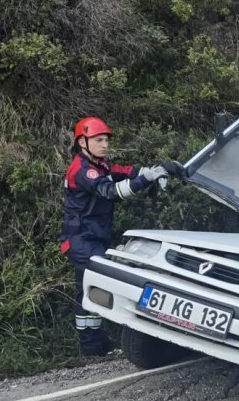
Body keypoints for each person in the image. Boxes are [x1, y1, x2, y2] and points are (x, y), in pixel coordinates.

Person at [60, 117, 171, 356]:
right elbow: (110, 191)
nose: (105, 145)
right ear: (82, 142)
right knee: (100, 285)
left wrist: (155, 171)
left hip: (91, 238)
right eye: (98, 140)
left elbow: (125, 172)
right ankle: (99, 347)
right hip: (81, 241)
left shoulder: (101, 165)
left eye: (106, 140)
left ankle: (94, 347)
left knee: (88, 291)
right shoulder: (83, 170)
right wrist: (145, 180)